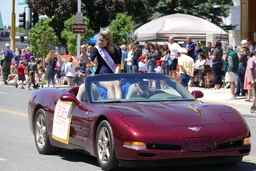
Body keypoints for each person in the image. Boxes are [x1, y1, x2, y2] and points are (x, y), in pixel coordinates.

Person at [81, 27, 122, 99]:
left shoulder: (117, 49)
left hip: (112, 74)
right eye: (99, 40)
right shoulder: (97, 49)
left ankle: (119, 104)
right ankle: (112, 105)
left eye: (102, 41)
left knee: (117, 84)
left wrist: (115, 76)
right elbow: (88, 61)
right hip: (100, 75)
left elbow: (117, 64)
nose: (100, 42)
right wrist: (84, 52)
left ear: (108, 40)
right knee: (110, 85)